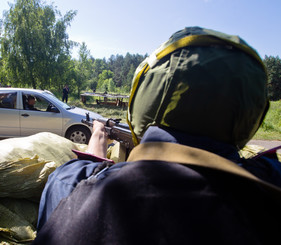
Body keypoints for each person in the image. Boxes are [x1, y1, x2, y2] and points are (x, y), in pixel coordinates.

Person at [33, 27, 281, 244]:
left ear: (143, 97)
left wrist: (98, 142)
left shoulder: (73, 184)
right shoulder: (269, 183)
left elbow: (79, 183)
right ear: (253, 113)